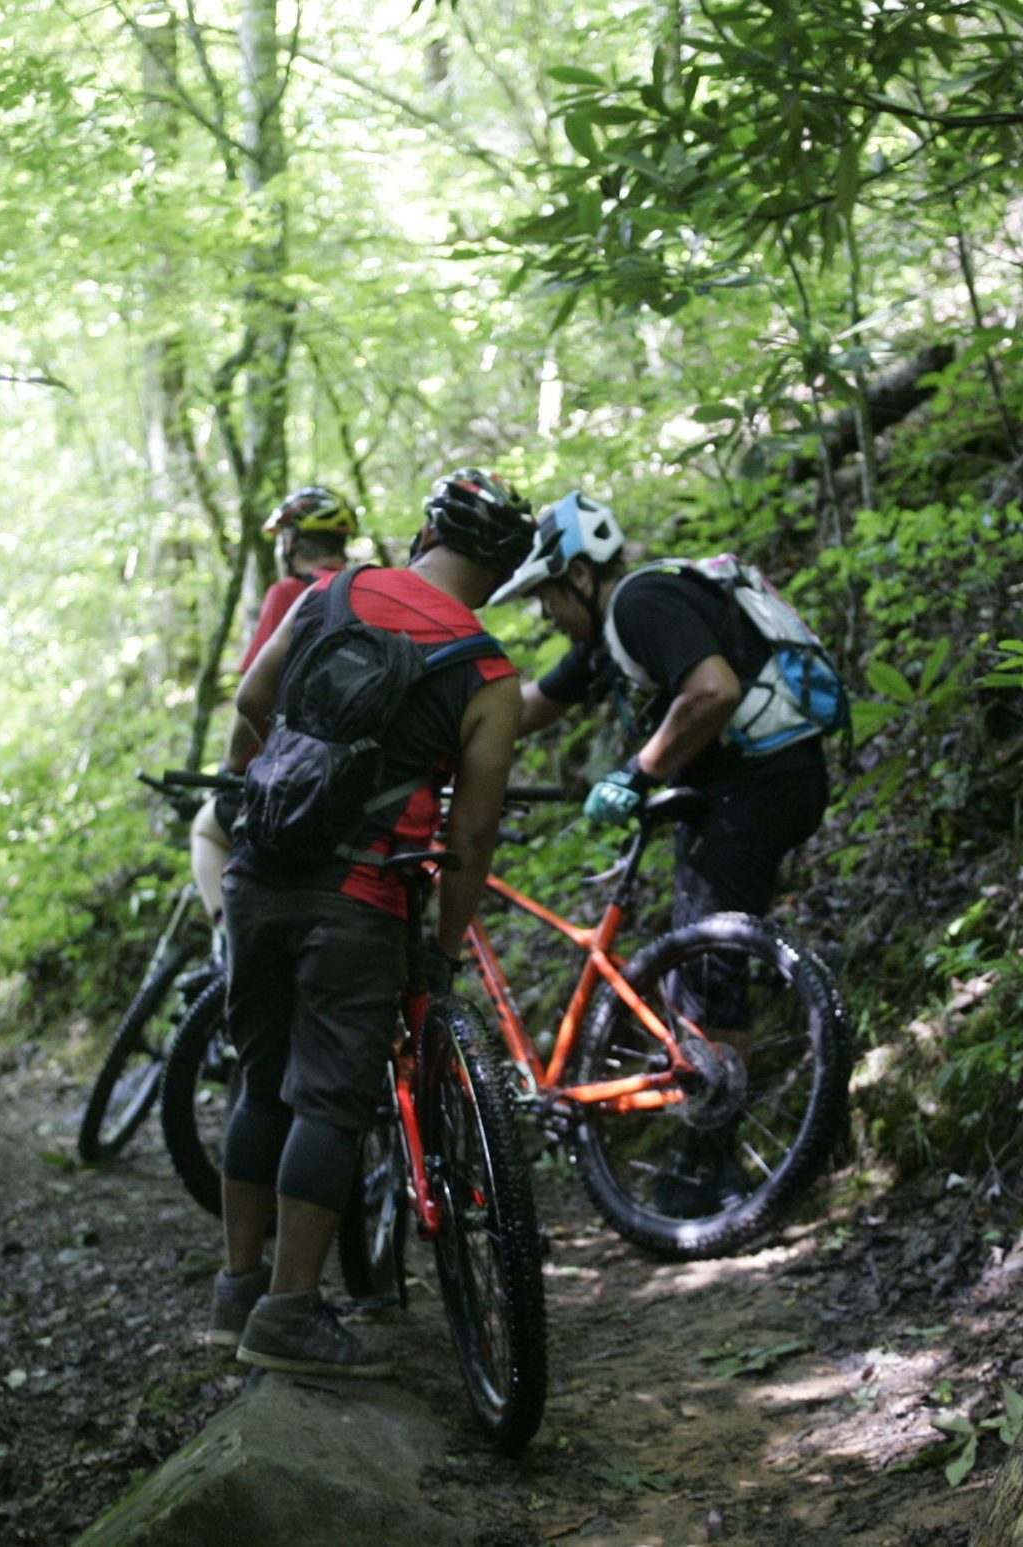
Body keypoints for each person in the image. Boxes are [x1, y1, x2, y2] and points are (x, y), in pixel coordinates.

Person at [207, 468, 531, 1378]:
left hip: (260, 873)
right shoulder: (489, 674)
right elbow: (469, 829)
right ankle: (290, 1313)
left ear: (427, 530)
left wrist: (256, 807)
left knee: (260, 1081)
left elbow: (251, 703)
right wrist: (439, 948)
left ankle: (236, 1291)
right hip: (359, 900)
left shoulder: (331, 591)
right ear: (503, 569)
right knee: (331, 1100)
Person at [489, 492, 833, 1212]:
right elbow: (523, 710)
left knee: (709, 967)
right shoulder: (606, 640)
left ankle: (718, 1171)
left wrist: (637, 772)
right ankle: (706, 1162)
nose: (543, 614)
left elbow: (713, 688)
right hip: (749, 786)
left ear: (580, 575)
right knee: (701, 959)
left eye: (547, 594)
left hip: (754, 786)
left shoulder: (643, 602)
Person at [187, 486, 360, 921]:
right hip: (359, 778)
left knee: (207, 830)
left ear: (291, 542)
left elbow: (254, 697)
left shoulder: (288, 594)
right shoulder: (367, 592)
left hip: (293, 780)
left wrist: (232, 768)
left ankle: (226, 941)